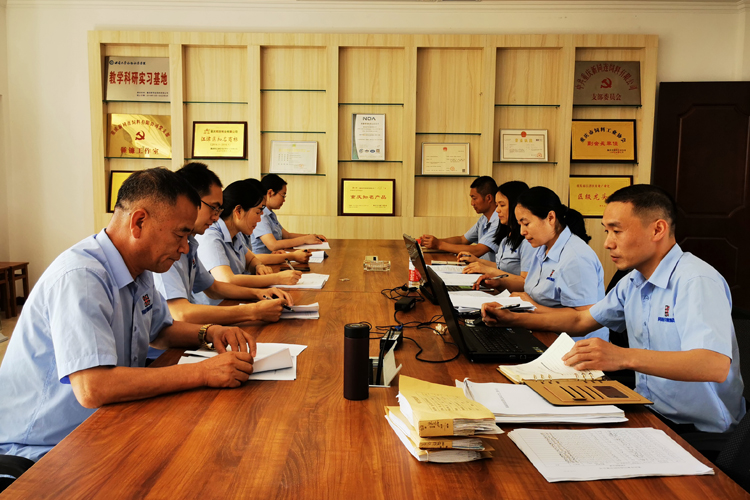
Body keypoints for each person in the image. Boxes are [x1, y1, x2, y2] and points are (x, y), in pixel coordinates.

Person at [0, 168, 258, 482]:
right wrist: (204, 372)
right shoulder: (82, 277)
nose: (186, 248)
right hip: (43, 451)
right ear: (138, 222)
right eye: (181, 235)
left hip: (105, 425)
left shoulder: (140, 269)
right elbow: (93, 388)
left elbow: (161, 331)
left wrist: (209, 332)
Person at [482, 184, 745, 458]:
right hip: (651, 411)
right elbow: (581, 318)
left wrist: (622, 357)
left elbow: (713, 365)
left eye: (617, 231)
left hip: (699, 432)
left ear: (657, 230)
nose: (607, 242)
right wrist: (512, 319)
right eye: (607, 231)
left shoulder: (695, 280)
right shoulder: (633, 281)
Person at [154, 163, 292, 326]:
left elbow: (213, 287)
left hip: (199, 325)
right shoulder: (165, 245)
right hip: (180, 336)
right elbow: (181, 313)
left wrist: (259, 294)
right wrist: (253, 311)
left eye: (219, 210)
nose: (216, 217)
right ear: (187, 202)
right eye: (213, 208)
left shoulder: (189, 242)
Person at [483, 186, 608, 340]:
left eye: (526, 223)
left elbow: (583, 318)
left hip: (573, 346)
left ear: (550, 218)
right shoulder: (541, 248)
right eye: (519, 224)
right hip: (543, 332)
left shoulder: (576, 257)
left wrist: (533, 307)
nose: (522, 231)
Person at [195, 179, 307, 305]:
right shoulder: (210, 236)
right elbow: (226, 279)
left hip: (237, 300)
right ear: (238, 211)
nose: (259, 220)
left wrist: (258, 266)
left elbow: (251, 259)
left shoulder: (235, 234)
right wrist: (277, 278)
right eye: (258, 212)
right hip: (218, 310)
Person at [458, 180, 534, 291]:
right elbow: (502, 267)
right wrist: (477, 261)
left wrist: (487, 270)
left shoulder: (528, 240)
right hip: (503, 291)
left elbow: (525, 282)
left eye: (502, 205)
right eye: (497, 205)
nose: (497, 210)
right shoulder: (506, 237)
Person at [420, 176, 500, 260]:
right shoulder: (483, 219)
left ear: (489, 198)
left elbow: (478, 250)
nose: (472, 203)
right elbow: (462, 240)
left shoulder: (498, 221)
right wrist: (431, 242)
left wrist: (439, 244)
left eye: (474, 198)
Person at [250, 173, 327, 254]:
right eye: (283, 196)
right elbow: (273, 245)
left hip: (275, 258)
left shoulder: (271, 214)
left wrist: (310, 236)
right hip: (263, 262)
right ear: (270, 193)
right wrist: (305, 239)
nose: (284, 200)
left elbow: (286, 235)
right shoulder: (261, 215)